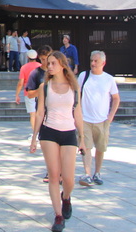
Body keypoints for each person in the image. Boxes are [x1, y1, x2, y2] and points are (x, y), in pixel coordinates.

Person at [30, 51, 85, 232]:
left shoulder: (74, 87)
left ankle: (66, 197)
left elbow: (77, 112)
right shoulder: (45, 86)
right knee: (54, 175)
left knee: (68, 179)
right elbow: (40, 113)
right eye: (49, 63)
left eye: (53, 63)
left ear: (62, 64)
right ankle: (58, 215)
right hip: (49, 132)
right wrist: (34, 138)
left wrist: (82, 138)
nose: (49, 66)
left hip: (68, 132)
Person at [77, 50, 120, 187]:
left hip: (102, 120)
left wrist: (111, 115)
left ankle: (97, 172)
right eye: (91, 61)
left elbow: (116, 98)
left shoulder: (109, 79)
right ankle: (87, 173)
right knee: (86, 147)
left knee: (101, 148)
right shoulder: (84, 76)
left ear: (103, 63)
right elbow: (77, 94)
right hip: (85, 118)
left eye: (96, 61)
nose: (93, 63)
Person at [16, 50, 42, 140]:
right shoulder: (40, 66)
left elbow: (20, 83)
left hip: (29, 92)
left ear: (27, 57)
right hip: (40, 92)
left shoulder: (24, 67)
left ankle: (35, 133)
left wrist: (17, 94)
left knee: (33, 114)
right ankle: (41, 132)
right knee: (41, 112)